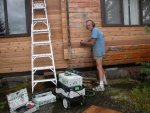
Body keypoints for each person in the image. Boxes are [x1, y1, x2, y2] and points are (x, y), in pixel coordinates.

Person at [80, 20, 107, 91]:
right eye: (87, 25)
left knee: (99, 67)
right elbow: (92, 38)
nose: (88, 26)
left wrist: (83, 43)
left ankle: (101, 86)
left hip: (98, 51)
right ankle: (104, 81)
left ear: (93, 25)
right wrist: (85, 41)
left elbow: (92, 43)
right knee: (100, 66)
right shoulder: (96, 30)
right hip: (100, 50)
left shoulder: (94, 30)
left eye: (89, 25)